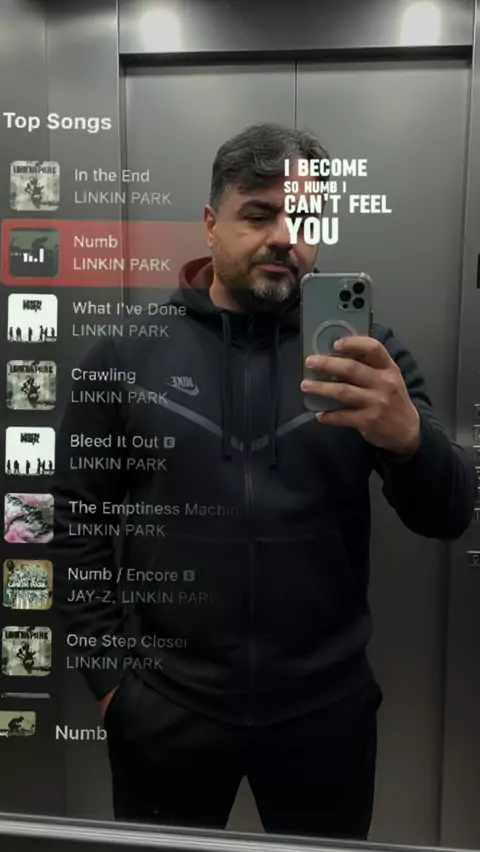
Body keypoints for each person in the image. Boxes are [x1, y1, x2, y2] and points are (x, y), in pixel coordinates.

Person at [50, 123, 476, 839]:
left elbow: (450, 512)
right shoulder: (126, 352)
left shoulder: (367, 356)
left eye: (305, 218)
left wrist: (409, 440)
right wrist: (113, 686)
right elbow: (73, 522)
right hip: (167, 708)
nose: (285, 237)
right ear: (210, 224)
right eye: (259, 213)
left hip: (326, 715)